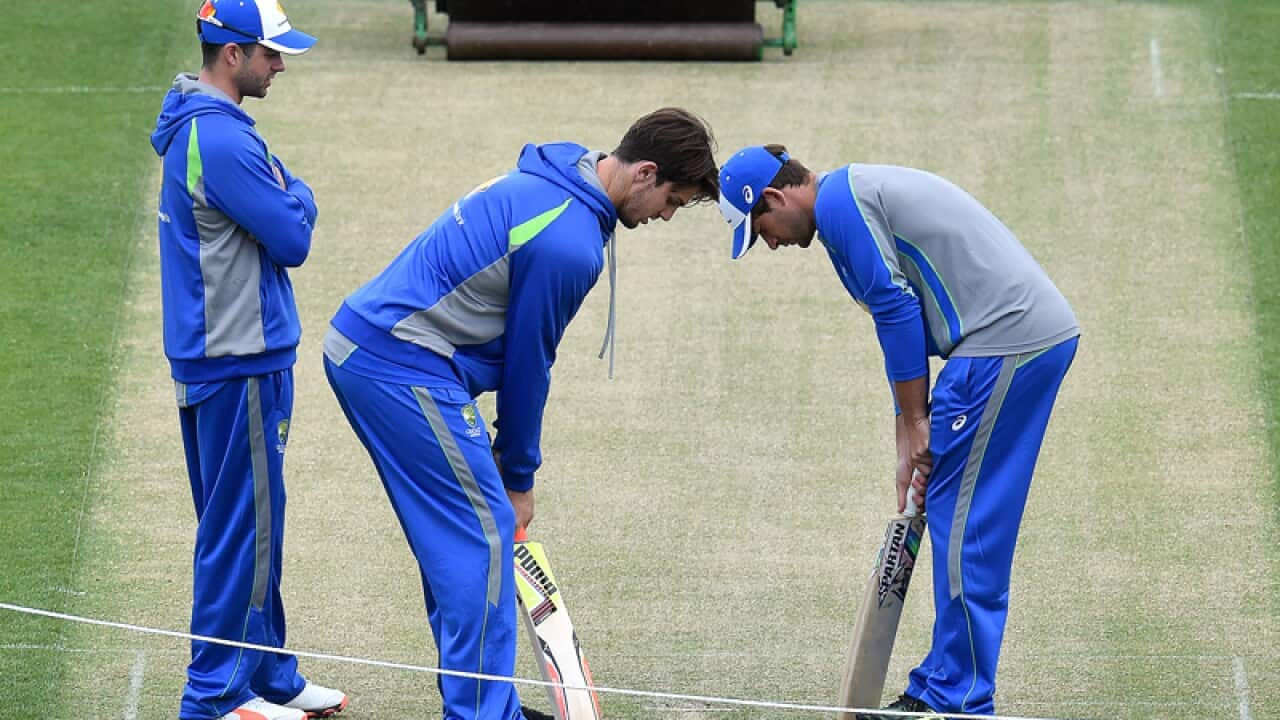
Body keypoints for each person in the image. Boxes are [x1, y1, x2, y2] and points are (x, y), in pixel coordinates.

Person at [323, 108, 719, 720]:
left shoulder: (564, 173)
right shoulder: (569, 243)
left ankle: (485, 703)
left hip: (377, 351)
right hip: (398, 364)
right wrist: (518, 478)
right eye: (672, 200)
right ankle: (482, 713)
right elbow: (529, 367)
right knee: (483, 538)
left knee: (461, 540)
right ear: (644, 173)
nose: (665, 216)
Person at [717, 146, 1079, 718]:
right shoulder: (847, 199)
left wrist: (915, 423)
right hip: (1009, 341)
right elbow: (901, 312)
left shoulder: (840, 206)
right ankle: (943, 682)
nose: (770, 242)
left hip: (1001, 344)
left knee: (965, 524)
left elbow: (895, 306)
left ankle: (957, 698)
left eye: (760, 227)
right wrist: (904, 434)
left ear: (774, 198)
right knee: (956, 512)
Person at [150, 2, 347, 719]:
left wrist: (290, 194)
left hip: (215, 357)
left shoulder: (198, 125)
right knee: (242, 531)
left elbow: (284, 210)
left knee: (247, 526)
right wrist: (299, 194)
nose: (281, 65)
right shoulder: (225, 143)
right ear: (231, 54)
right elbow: (293, 233)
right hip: (241, 362)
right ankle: (216, 695)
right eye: (271, 54)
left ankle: (268, 676)